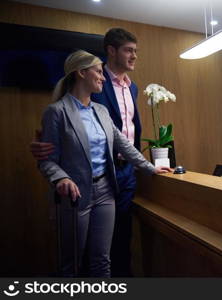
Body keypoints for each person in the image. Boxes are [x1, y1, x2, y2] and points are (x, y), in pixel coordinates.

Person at [38, 50, 171, 277]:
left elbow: (124, 146)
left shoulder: (101, 110)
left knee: (102, 259)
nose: (102, 77)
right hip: (75, 195)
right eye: (98, 72)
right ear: (81, 72)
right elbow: (47, 160)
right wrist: (61, 177)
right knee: (72, 263)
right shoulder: (56, 112)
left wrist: (150, 167)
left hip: (105, 192)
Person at [31, 28, 143, 276]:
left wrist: (148, 166)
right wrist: (58, 173)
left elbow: (124, 140)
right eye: (129, 50)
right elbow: (51, 151)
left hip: (114, 180)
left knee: (110, 250)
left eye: (136, 51)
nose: (134, 56)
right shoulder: (63, 107)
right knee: (74, 260)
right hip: (78, 187)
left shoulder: (128, 90)